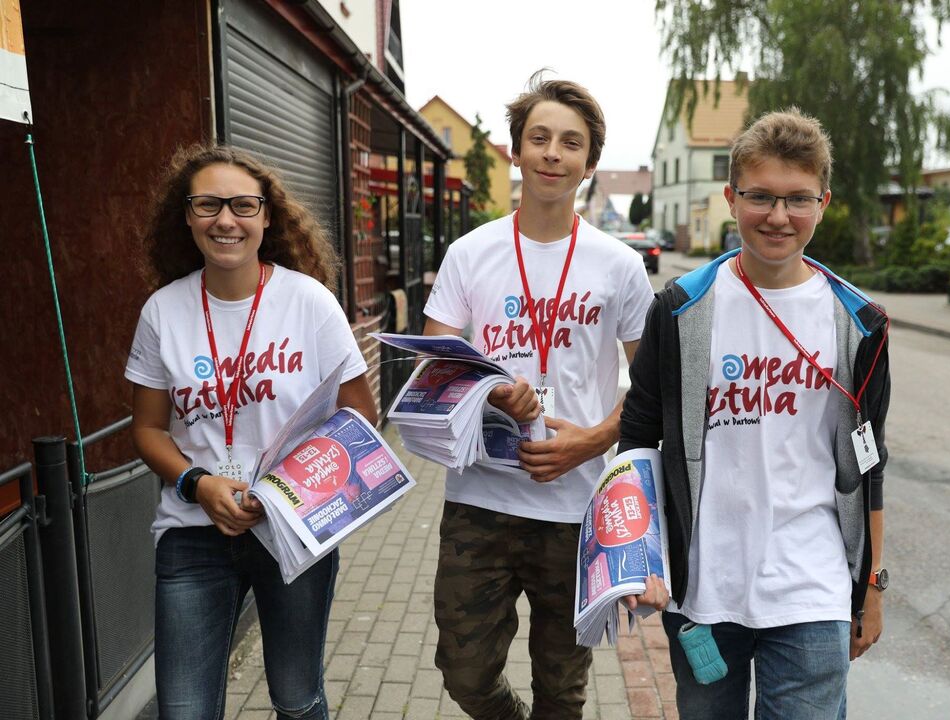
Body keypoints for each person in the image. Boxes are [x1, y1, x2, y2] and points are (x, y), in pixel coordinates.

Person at [619, 109, 891, 719]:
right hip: (704, 584)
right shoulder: (681, 309)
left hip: (812, 581)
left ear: (823, 203)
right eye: (760, 196)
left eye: (798, 199)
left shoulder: (859, 324)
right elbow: (638, 435)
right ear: (731, 197)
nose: (778, 216)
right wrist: (635, 558)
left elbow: (871, 461)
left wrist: (872, 586)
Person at [421, 72, 654, 719]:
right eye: (540, 138)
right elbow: (436, 367)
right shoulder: (470, 253)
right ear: (517, 151)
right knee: (464, 675)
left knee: (563, 690)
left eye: (571, 143)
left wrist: (594, 439)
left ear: (590, 162)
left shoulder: (618, 264)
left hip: (575, 508)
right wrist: (491, 393)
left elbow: (654, 387)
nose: (553, 153)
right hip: (479, 500)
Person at [126, 144, 377, 720]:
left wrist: (288, 493)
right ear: (187, 216)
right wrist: (198, 484)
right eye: (208, 205)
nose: (226, 220)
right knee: (184, 710)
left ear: (267, 216)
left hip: (293, 527)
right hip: (192, 532)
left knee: (296, 698)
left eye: (243, 205)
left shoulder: (309, 303)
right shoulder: (163, 311)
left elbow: (358, 417)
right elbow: (148, 429)